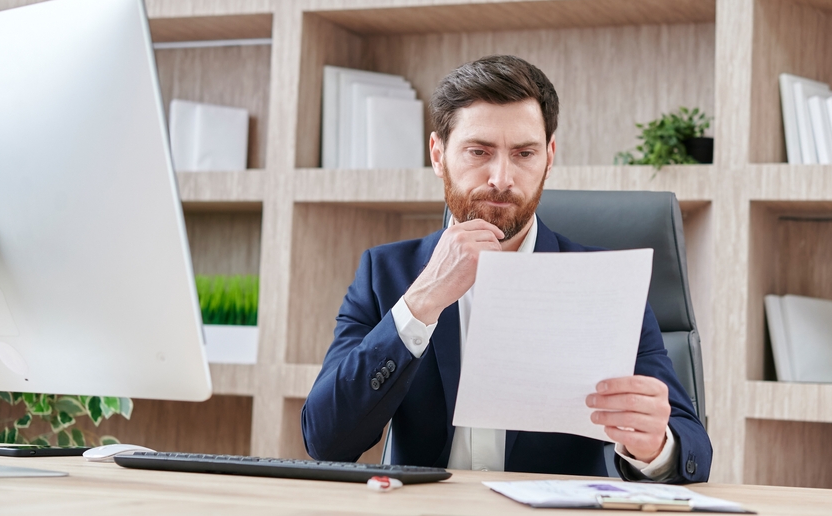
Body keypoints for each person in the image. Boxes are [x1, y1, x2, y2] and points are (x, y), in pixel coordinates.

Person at [302, 55, 712, 481]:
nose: (502, 177)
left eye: (524, 153)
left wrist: (655, 446)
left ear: (549, 157)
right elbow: (326, 439)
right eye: (479, 151)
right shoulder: (385, 273)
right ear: (437, 154)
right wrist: (422, 302)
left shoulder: (605, 283)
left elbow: (694, 449)